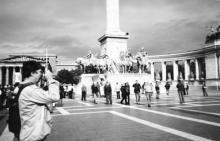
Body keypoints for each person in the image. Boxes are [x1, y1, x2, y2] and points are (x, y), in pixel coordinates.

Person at [18, 61, 59, 141]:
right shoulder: (30, 90)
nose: (42, 74)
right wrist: (50, 79)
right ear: (33, 73)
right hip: (33, 135)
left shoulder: (25, 87)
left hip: (31, 133)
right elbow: (54, 97)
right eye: (40, 72)